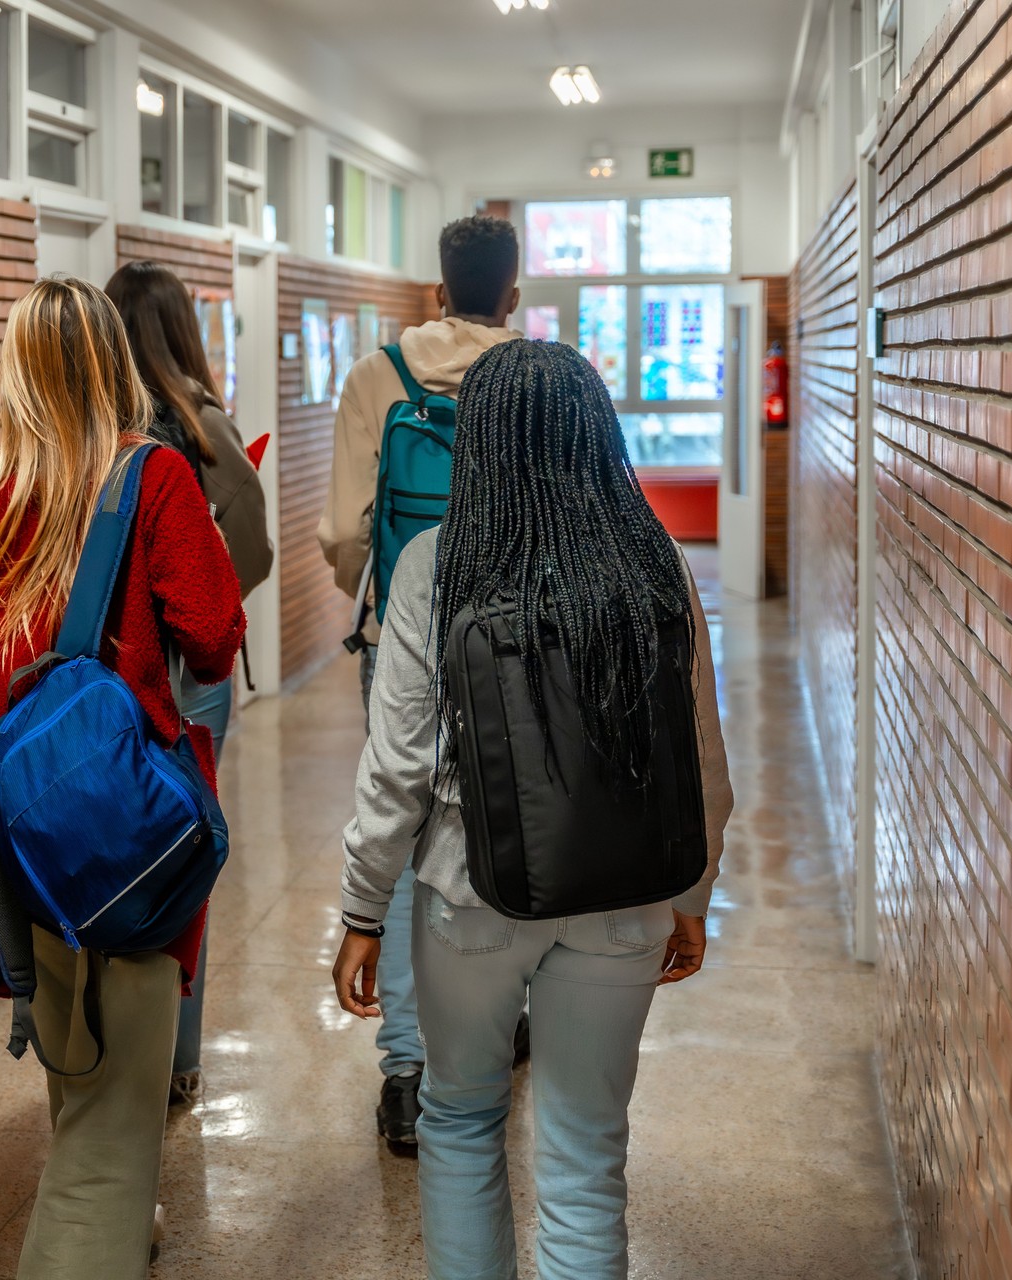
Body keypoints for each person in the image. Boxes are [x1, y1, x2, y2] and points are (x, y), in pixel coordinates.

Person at [330, 339, 734, 1280]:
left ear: (479, 442)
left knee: (461, 1117)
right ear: (599, 437)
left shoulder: (436, 564)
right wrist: (693, 895)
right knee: (588, 1151)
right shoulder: (655, 564)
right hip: (626, 898)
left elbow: (397, 769)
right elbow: (703, 758)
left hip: (471, 895)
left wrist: (360, 912)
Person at [0, 277, 245, 1280]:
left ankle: (115, 1232)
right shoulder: (154, 480)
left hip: (10, 839)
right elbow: (214, 638)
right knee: (106, 1139)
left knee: (78, 1074)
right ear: (113, 367)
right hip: (120, 836)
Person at [315, 214, 526, 1147]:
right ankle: (500, 1013)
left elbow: (339, 533)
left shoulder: (376, 376)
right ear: (512, 296)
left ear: (436, 291)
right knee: (515, 813)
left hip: (408, 629)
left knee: (400, 820)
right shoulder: (536, 376)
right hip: (518, 637)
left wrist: (393, 594)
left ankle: (405, 1072)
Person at [105, 259, 274, 1105]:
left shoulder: (86, 428)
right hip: (189, 672)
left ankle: (97, 1049)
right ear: (181, 330)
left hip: (95, 673)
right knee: (184, 855)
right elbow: (255, 557)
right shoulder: (200, 426)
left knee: (98, 844)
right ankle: (176, 1061)